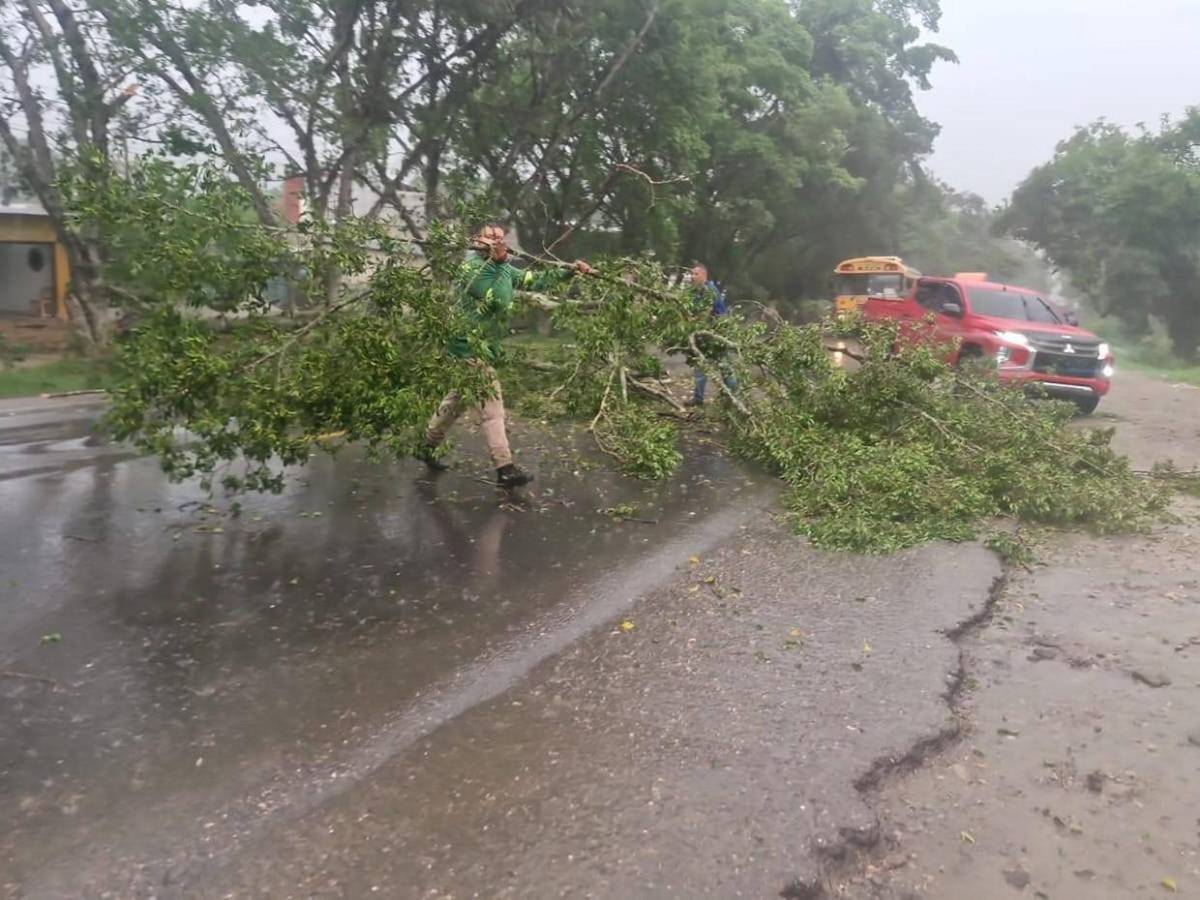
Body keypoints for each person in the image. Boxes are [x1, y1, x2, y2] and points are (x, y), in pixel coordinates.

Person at [417, 222, 592, 489]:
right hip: (469, 349)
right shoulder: (471, 269)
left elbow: (536, 280)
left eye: (501, 238)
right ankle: (505, 468)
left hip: (479, 348)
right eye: (491, 238)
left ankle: (425, 446)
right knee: (493, 411)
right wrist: (499, 265)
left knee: (455, 402)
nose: (498, 242)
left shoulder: (503, 268)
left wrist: (570, 271)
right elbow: (498, 299)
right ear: (477, 240)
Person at [685, 262, 737, 406]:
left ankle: (733, 398)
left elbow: (706, 312)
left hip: (716, 335)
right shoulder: (696, 292)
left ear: (704, 275)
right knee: (700, 367)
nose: (692, 277)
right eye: (691, 274)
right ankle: (698, 399)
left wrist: (692, 321)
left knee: (725, 367)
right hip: (704, 336)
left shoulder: (710, 290)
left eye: (696, 274)